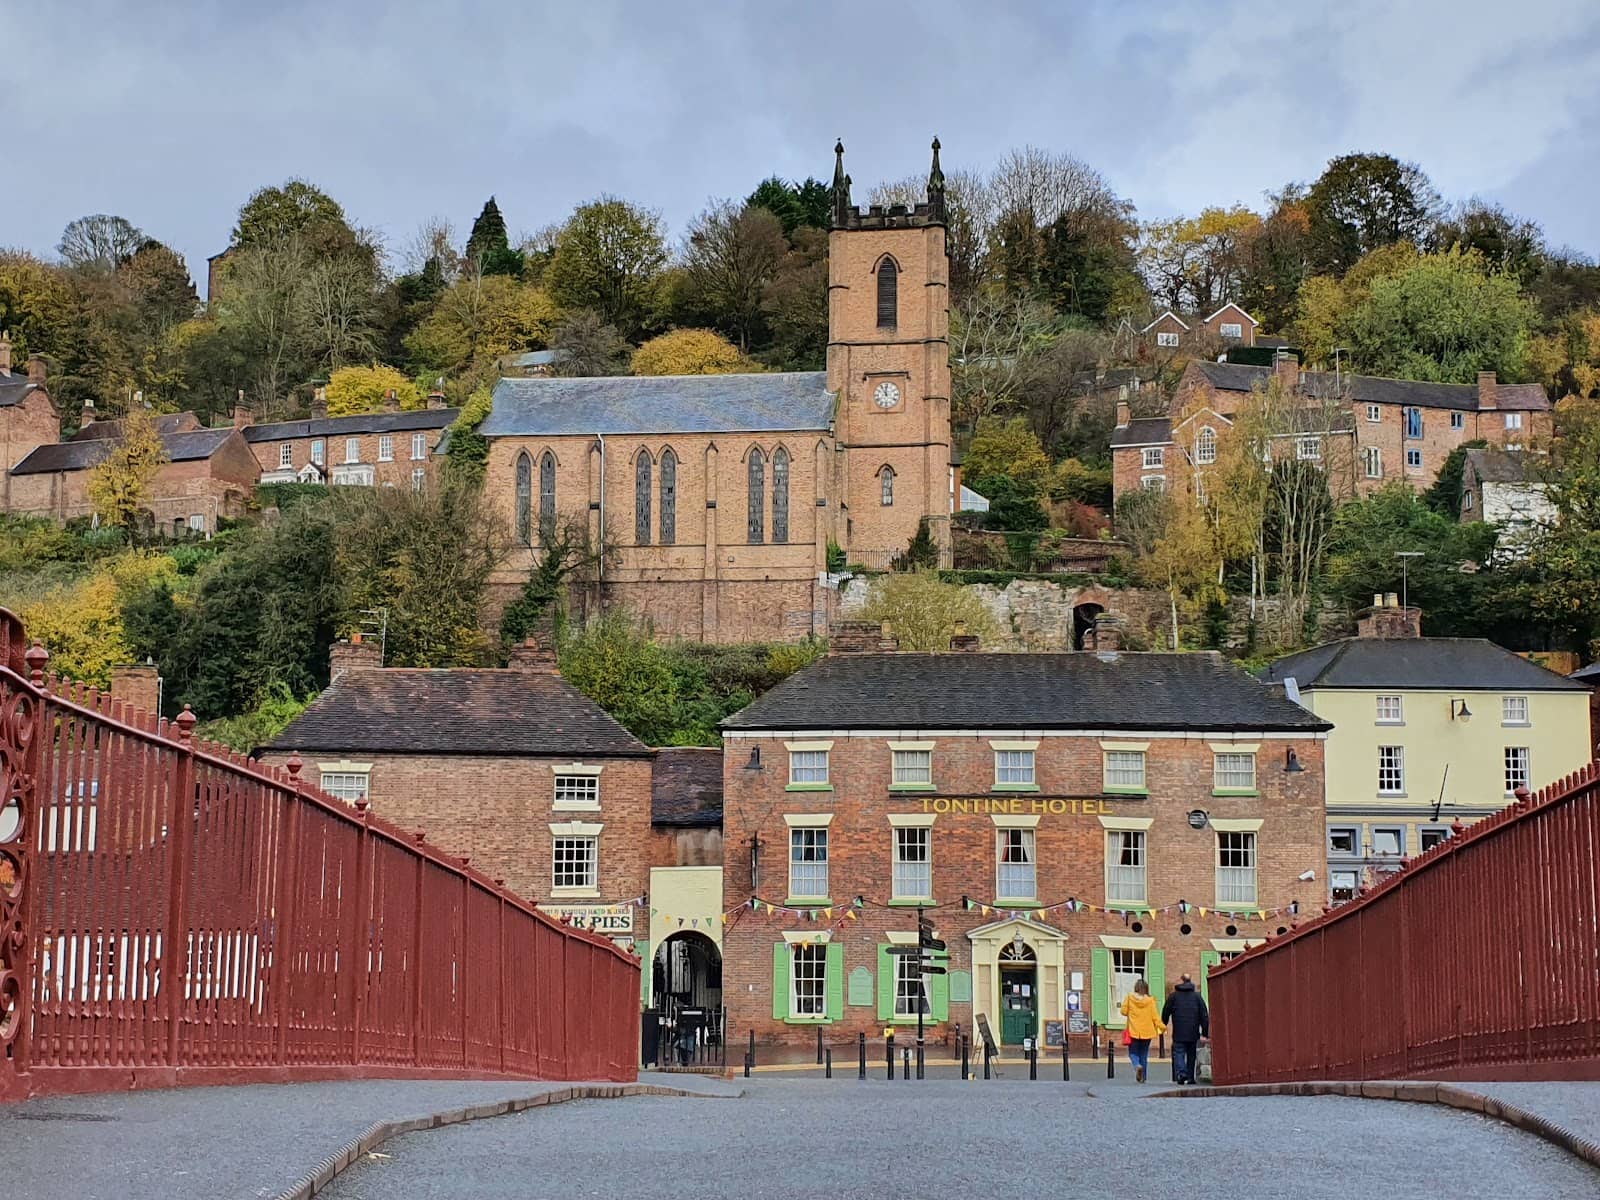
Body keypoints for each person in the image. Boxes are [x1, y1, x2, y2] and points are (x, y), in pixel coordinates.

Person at [1162, 973, 1210, 1085]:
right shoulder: (1197, 997)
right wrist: (1205, 1032)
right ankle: (1190, 1077)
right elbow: (1204, 1015)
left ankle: (1181, 1073)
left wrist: (1163, 1023)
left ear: (1181, 980)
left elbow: (1166, 1011)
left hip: (1179, 1030)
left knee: (1179, 1053)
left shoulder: (1173, 996)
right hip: (1193, 1031)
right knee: (1191, 1055)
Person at [1118, 978, 1164, 1083]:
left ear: (1136, 988)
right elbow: (1155, 1016)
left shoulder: (1130, 998)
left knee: (1133, 1053)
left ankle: (1137, 1065)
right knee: (1144, 1054)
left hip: (1133, 1030)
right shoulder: (1151, 1000)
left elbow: (1123, 1011)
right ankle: (1143, 1077)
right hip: (1147, 1031)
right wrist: (1162, 1027)